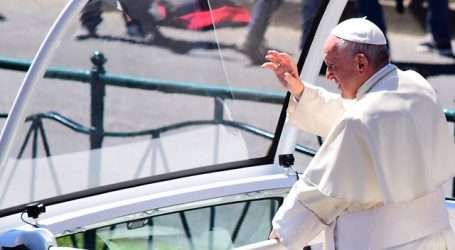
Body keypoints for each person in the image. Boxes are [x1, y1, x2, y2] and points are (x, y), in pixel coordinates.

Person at [262, 18, 455, 249]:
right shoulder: (415, 85)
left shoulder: (361, 118)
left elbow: (319, 194)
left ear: (361, 64)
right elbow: (364, 121)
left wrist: (281, 236)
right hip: (438, 238)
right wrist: (302, 91)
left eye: (332, 65)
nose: (329, 75)